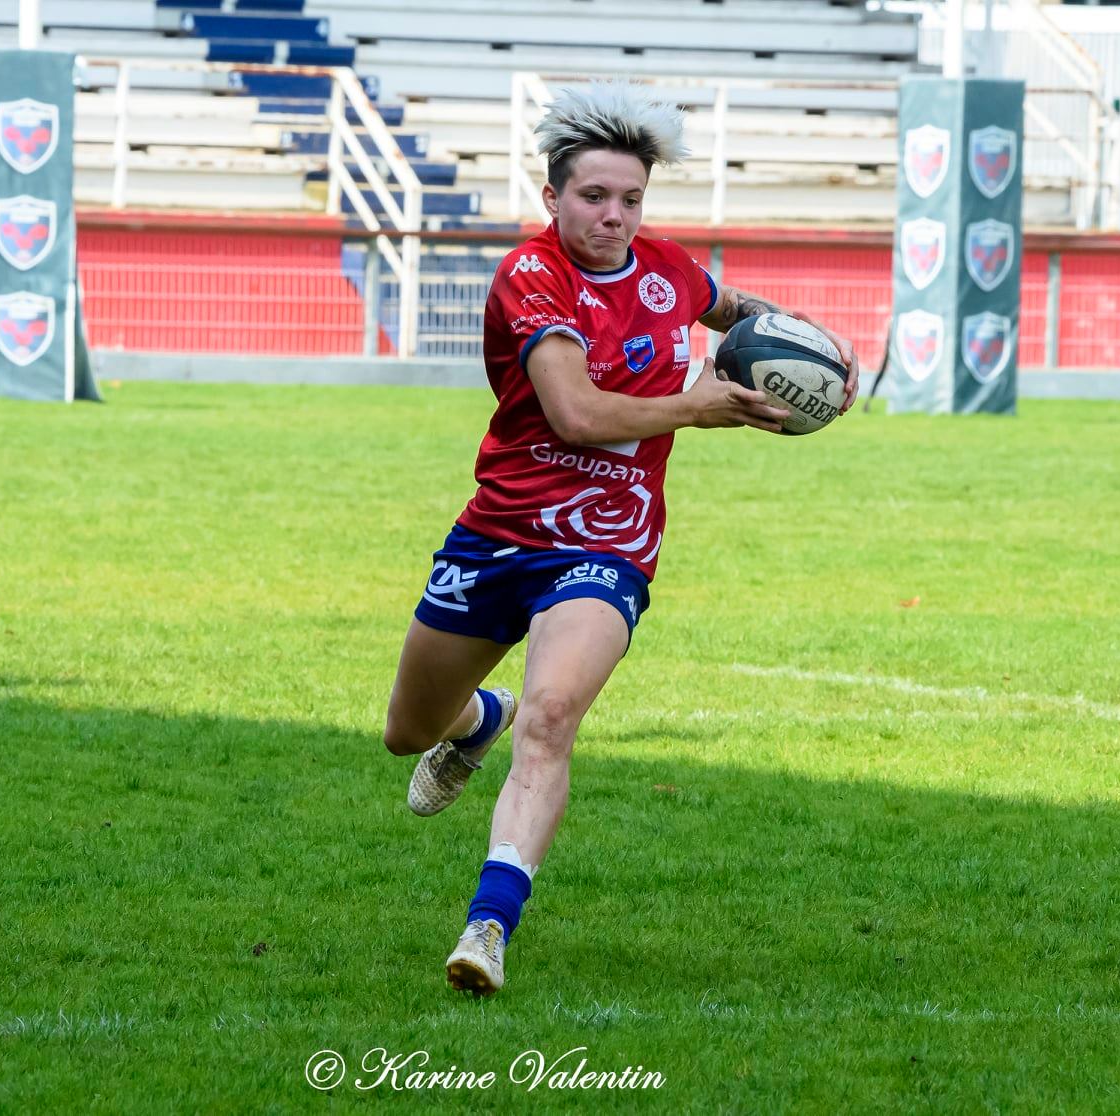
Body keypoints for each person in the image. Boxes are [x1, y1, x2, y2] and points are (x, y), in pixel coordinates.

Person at [381, 81, 860, 996]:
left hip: (608, 544)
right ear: (552, 196)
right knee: (408, 733)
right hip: (498, 533)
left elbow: (723, 304)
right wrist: (700, 406)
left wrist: (806, 344)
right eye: (594, 197)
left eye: (631, 199)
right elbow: (573, 413)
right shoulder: (530, 277)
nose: (613, 216)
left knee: (554, 716)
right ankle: (479, 719)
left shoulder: (664, 267)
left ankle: (488, 927)